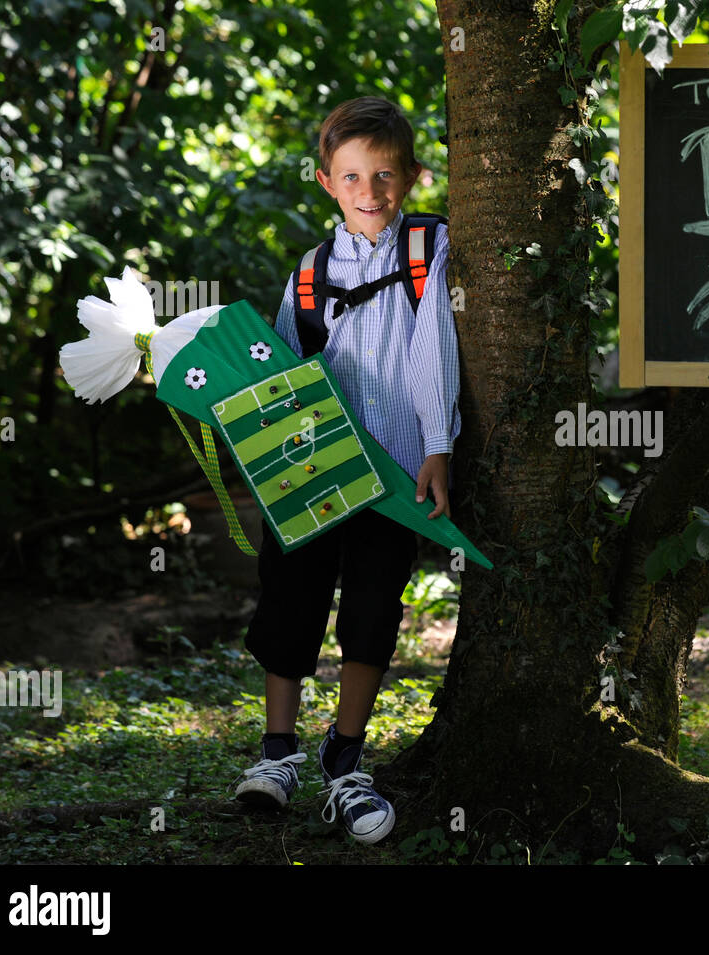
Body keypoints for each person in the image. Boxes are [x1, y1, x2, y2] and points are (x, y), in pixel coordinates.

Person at [229, 96, 459, 845]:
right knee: (289, 598)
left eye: (386, 173)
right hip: (311, 470)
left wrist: (438, 446)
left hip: (393, 473)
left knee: (371, 610)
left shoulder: (429, 248)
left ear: (413, 177)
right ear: (328, 181)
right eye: (353, 175)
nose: (371, 191)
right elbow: (276, 370)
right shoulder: (310, 269)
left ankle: (346, 757)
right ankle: (277, 753)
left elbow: (434, 351)